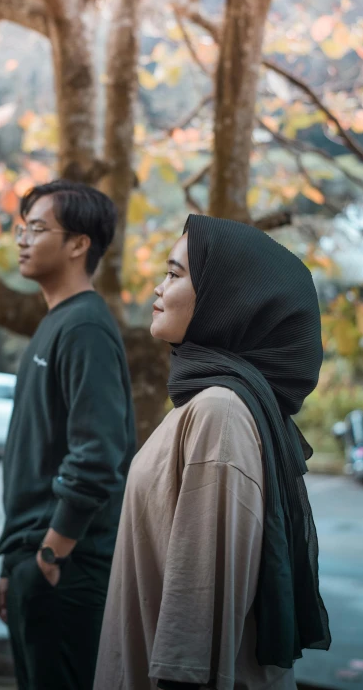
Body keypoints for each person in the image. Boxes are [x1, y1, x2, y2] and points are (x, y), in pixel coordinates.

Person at [94, 215, 331, 690]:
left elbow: (197, 636)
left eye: (175, 274)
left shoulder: (220, 413)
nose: (158, 290)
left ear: (229, 300)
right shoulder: (212, 405)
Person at [0, 180, 136, 690]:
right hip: (37, 556)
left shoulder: (85, 329)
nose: (22, 240)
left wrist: (52, 552)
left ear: (79, 243)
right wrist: (17, 561)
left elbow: (98, 454)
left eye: (37, 228)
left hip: (67, 565)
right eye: (21, 228)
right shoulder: (58, 321)